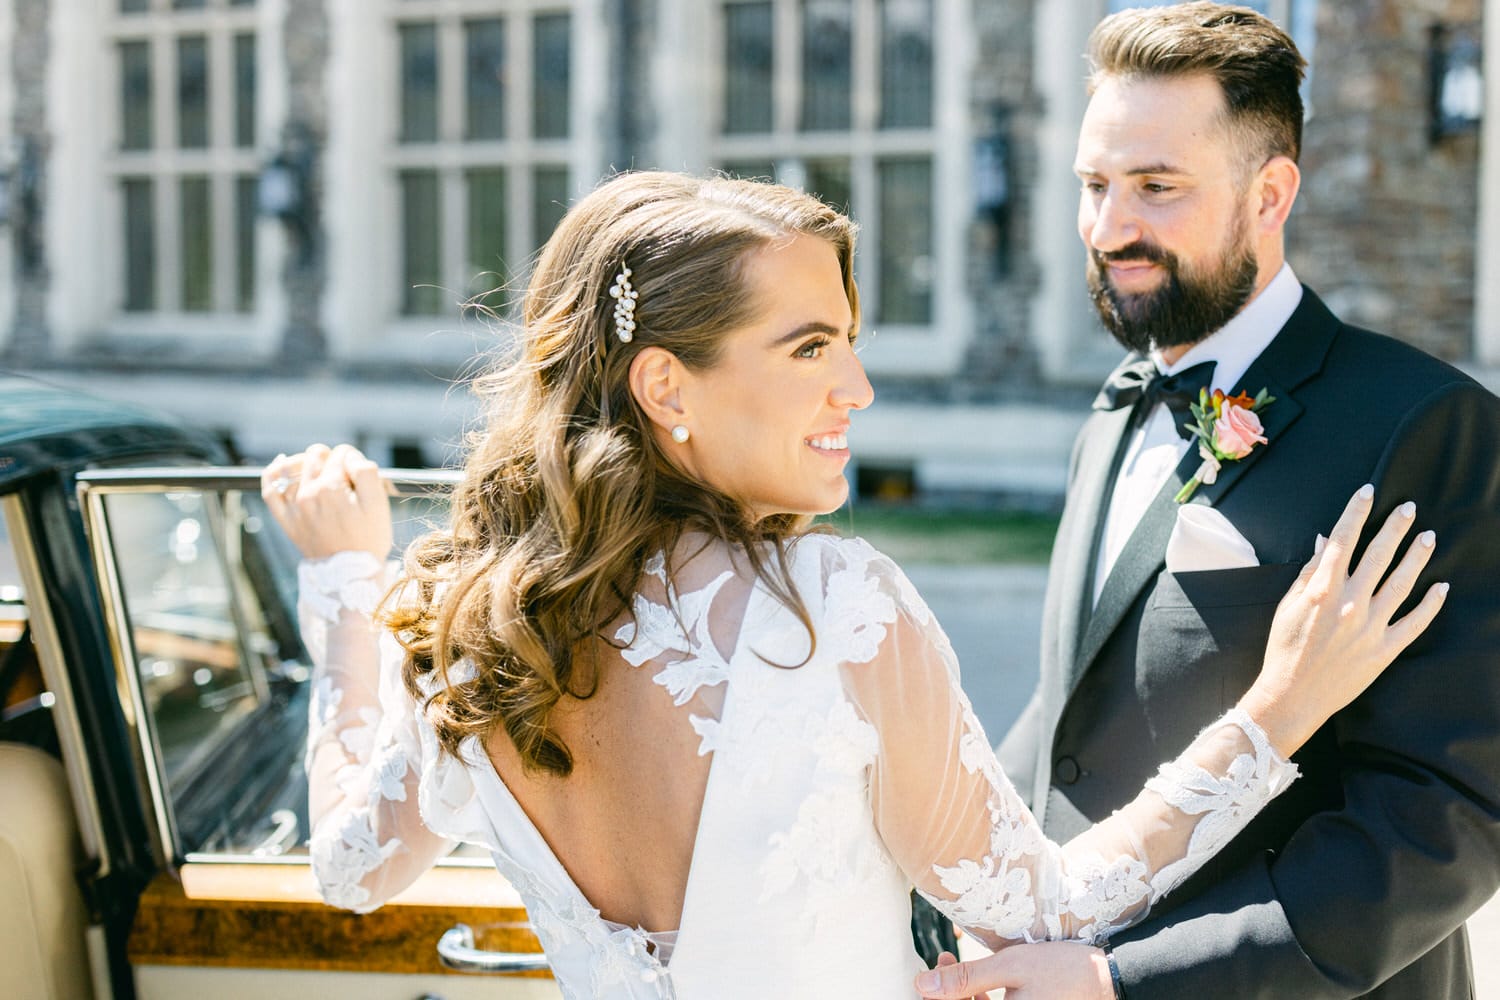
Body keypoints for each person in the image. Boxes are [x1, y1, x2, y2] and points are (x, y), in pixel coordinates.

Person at [263, 171, 1444, 1000]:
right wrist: (1280, 707)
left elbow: (351, 870)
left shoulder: (476, 625)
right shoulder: (830, 608)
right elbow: (1047, 910)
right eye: (811, 345)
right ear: (667, 386)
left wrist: (344, 589)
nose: (859, 388)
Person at [919, 5, 1500, 999]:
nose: (1108, 228)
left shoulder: (1427, 427)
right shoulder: (1111, 414)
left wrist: (1126, 978)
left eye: (1156, 187)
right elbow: (1073, 714)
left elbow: (1445, 818)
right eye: (1094, 185)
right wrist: (949, 893)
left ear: (1271, 193)